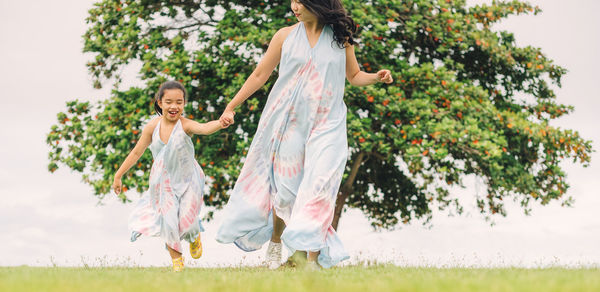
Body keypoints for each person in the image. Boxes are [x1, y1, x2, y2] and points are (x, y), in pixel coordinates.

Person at [215, 0, 394, 269]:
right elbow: (260, 74)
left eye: (301, 2)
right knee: (285, 194)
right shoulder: (285, 36)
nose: (294, 6)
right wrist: (231, 105)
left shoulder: (341, 37)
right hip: (289, 123)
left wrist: (376, 77)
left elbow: (354, 75)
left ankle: (312, 261)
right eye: (293, 1)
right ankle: (276, 239)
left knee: (320, 188)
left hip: (328, 124)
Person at [112, 81, 225, 272]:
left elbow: (205, 128)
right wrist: (118, 175)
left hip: (188, 180)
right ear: (160, 103)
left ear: (183, 104)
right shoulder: (152, 127)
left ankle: (194, 235)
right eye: (169, 102)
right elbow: (136, 153)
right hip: (163, 183)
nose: (174, 107)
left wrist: (220, 123)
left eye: (179, 102)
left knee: (187, 224)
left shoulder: (186, 125)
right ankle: (177, 263)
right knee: (170, 222)